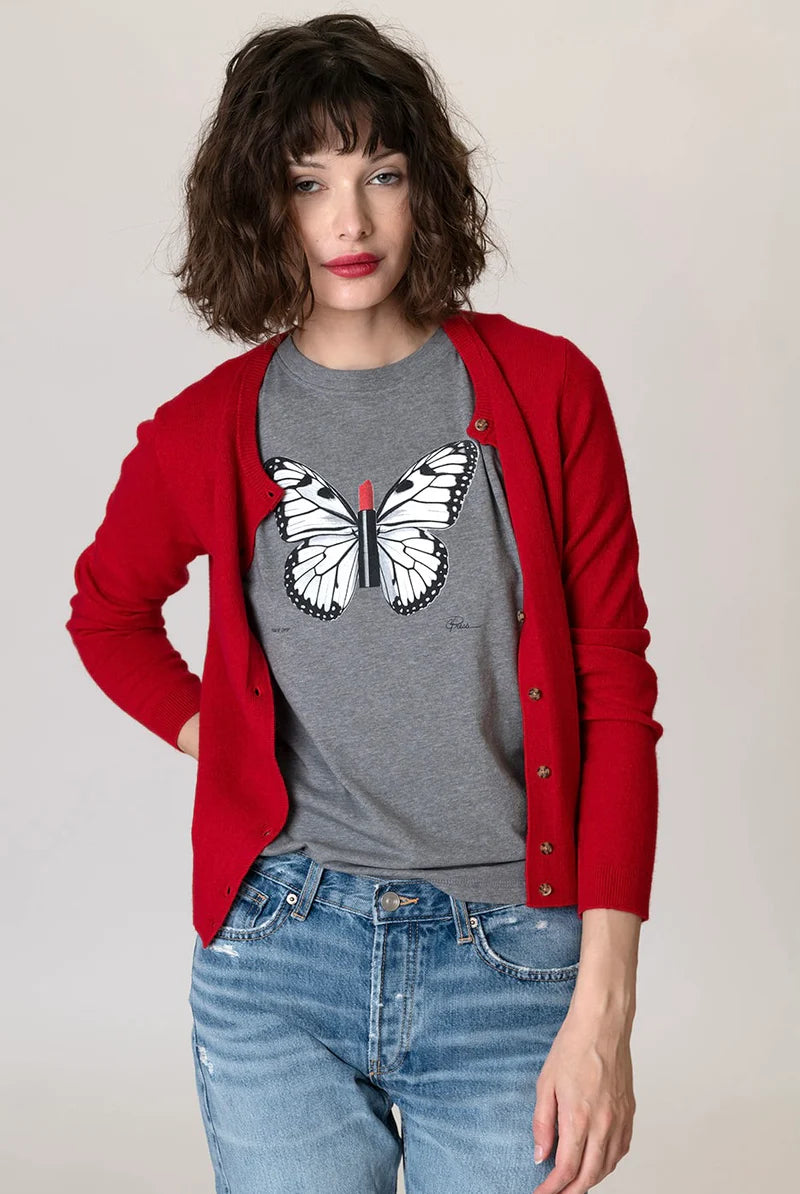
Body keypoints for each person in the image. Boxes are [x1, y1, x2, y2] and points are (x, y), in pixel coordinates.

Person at [65, 13, 663, 1194]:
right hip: (279, 951)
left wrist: (604, 1010)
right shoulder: (205, 430)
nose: (349, 221)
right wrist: (215, 734)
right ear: (258, 208)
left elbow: (611, 696)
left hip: (512, 961)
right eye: (307, 183)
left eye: (380, 174)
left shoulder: (546, 391)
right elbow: (106, 613)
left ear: (424, 187)